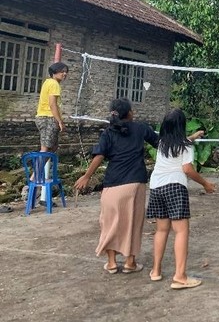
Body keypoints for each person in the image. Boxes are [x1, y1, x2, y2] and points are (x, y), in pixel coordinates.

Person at [74, 98, 159, 274]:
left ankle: (112, 263)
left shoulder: (108, 133)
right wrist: (187, 139)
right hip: (135, 184)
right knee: (132, 223)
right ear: (130, 113)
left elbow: (99, 156)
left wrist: (86, 176)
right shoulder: (141, 128)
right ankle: (130, 262)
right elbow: (162, 143)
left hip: (112, 185)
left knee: (109, 223)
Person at [146, 108, 215, 290]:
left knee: (161, 230)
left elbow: (184, 142)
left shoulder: (162, 144)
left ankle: (155, 270)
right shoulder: (185, 146)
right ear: (181, 127)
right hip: (175, 187)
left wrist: (195, 135)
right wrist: (206, 184)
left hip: (156, 187)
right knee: (181, 231)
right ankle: (180, 276)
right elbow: (187, 169)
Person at [33, 62, 68, 207]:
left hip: (43, 118)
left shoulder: (48, 82)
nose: (64, 74)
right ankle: (32, 184)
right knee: (45, 150)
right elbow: (52, 103)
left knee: (51, 149)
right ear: (54, 72)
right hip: (48, 119)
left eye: (66, 72)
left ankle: (36, 184)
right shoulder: (53, 83)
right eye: (62, 71)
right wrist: (59, 121)